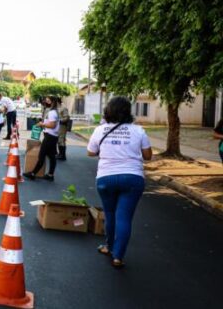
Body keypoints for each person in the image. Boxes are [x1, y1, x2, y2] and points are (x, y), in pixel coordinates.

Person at [86, 96, 152, 268]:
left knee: (110, 214)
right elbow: (148, 156)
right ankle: (118, 256)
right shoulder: (139, 131)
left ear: (108, 111)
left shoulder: (100, 130)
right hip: (133, 178)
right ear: (128, 112)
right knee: (124, 218)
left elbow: (91, 152)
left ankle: (109, 247)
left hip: (106, 178)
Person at [23, 96, 59, 181]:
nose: (46, 102)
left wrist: (42, 124)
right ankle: (50, 175)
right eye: (45, 100)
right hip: (52, 136)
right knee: (51, 156)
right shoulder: (53, 111)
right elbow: (50, 123)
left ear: (52, 102)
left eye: (48, 101)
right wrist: (43, 123)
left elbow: (52, 125)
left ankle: (33, 173)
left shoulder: (52, 112)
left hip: (50, 137)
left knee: (41, 155)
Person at [56, 96, 71, 161]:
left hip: (62, 126)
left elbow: (67, 117)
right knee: (59, 140)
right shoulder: (57, 108)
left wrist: (59, 120)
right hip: (57, 126)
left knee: (61, 140)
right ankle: (60, 154)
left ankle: (63, 155)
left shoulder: (63, 108)